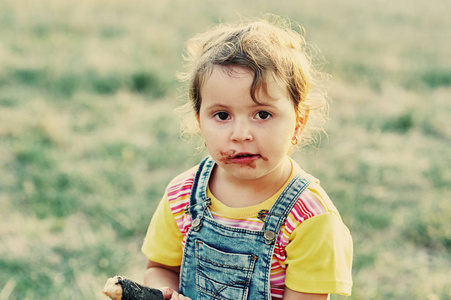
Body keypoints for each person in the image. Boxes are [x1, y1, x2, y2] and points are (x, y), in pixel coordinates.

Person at [141, 15, 353, 300]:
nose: (241, 134)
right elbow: (160, 267)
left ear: (299, 122)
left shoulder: (310, 218)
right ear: (199, 120)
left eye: (262, 114)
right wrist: (163, 293)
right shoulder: (182, 195)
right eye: (222, 115)